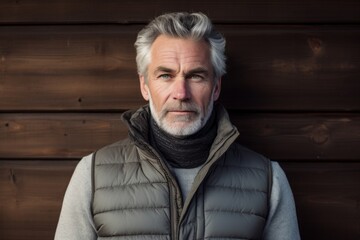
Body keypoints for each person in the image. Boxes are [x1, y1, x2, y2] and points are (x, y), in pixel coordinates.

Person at [55, 12, 300, 240]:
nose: (181, 93)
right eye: (165, 75)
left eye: (196, 76)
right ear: (144, 86)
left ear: (216, 87)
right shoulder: (91, 176)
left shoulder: (269, 180)